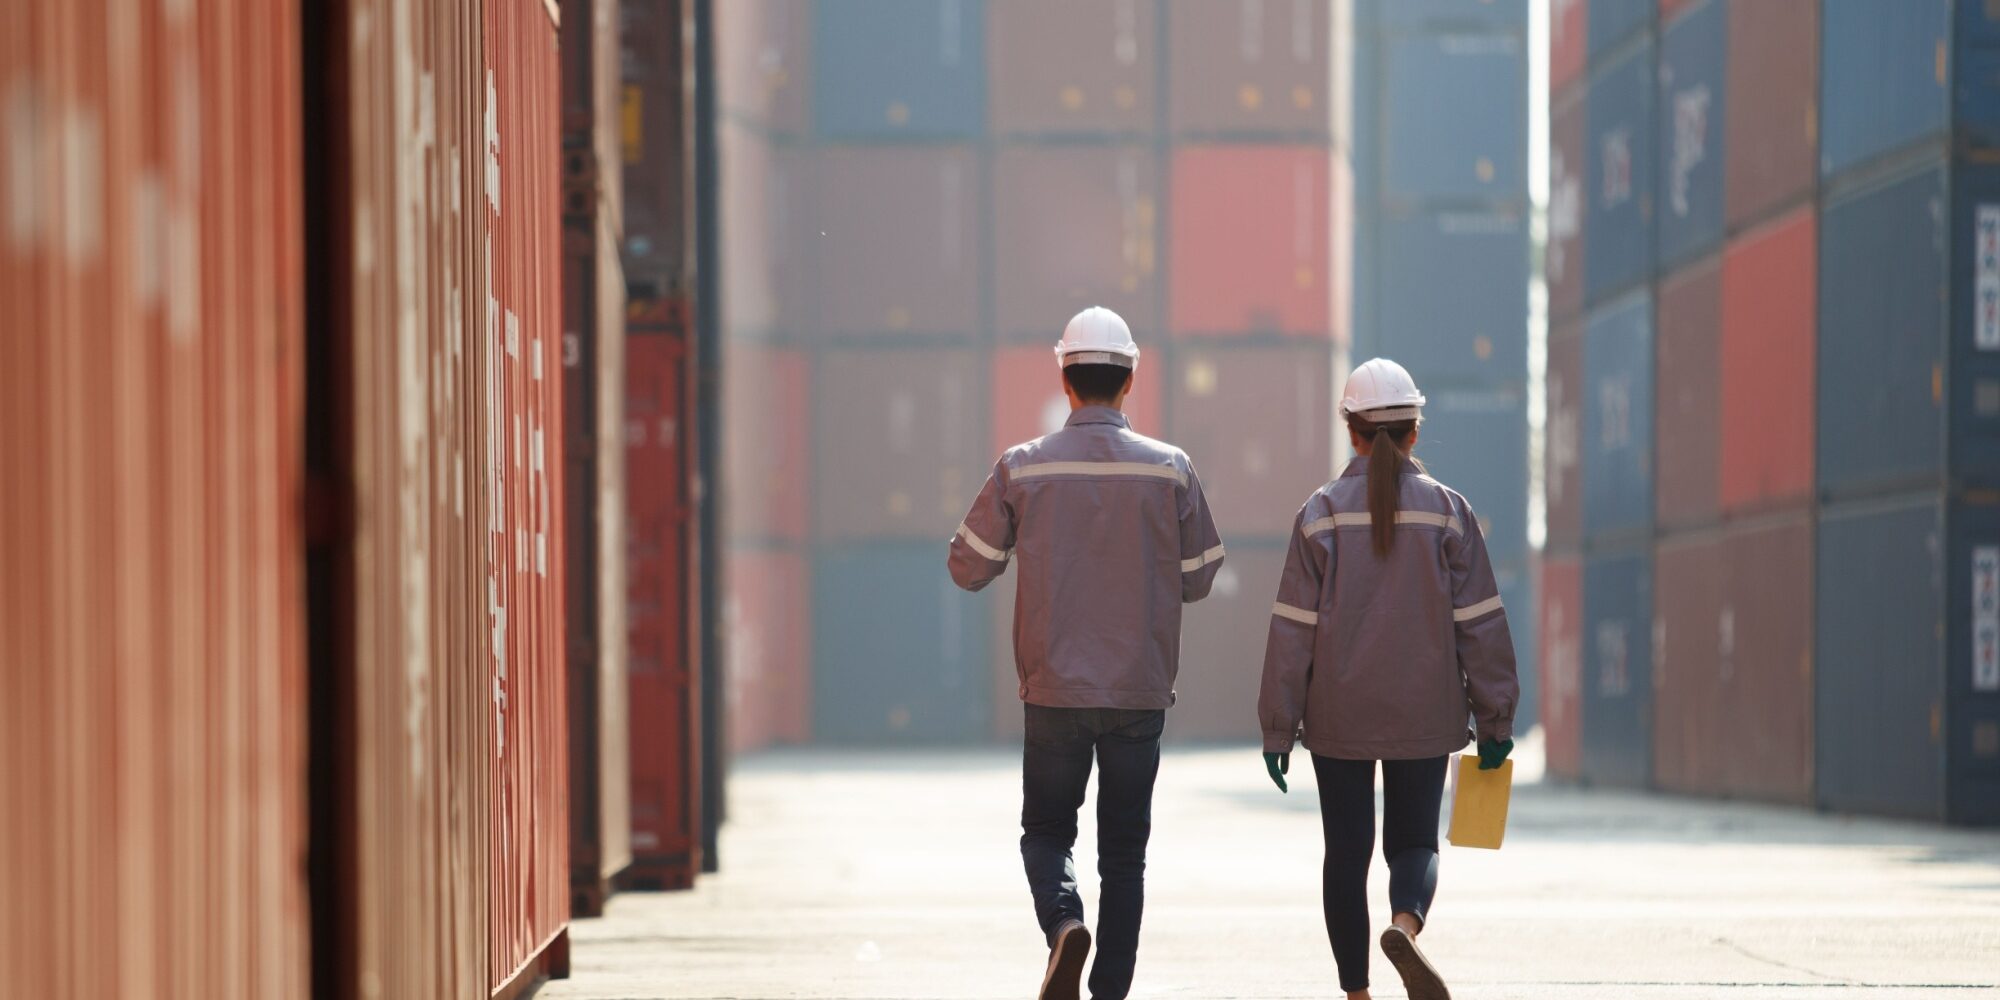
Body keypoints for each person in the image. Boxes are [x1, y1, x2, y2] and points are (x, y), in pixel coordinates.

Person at [947, 306, 1226, 1000]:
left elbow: (967, 566)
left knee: (1045, 831)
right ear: (1129, 378)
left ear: (1065, 379)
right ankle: (1108, 993)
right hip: (1138, 690)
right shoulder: (1171, 471)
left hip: (1053, 692)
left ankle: (1065, 924)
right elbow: (1199, 578)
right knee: (1125, 855)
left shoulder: (1023, 469)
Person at [1256, 358, 1519, 1000]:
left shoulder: (1318, 515)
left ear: (1352, 432)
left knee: (1345, 855)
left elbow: (1292, 629)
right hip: (1425, 714)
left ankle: (1357, 993)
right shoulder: (1449, 514)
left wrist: (1276, 727)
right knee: (1413, 842)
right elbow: (1481, 623)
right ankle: (1404, 924)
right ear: (1415, 432)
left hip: (1338, 716)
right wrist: (1496, 720)